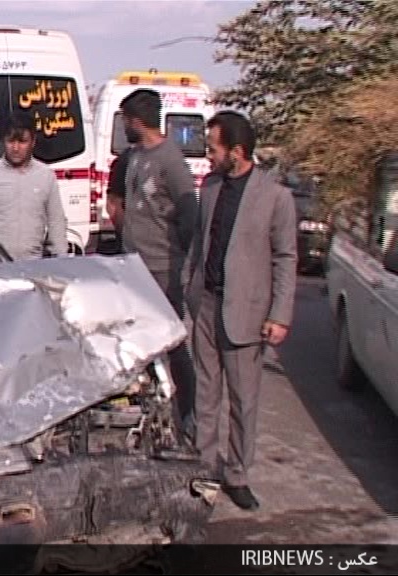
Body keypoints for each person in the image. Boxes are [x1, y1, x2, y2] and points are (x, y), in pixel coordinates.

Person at [183, 111, 297, 510]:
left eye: (213, 149)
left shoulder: (275, 197)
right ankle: (203, 467)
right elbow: (200, 241)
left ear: (237, 151)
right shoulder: (211, 187)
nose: (207, 156)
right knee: (205, 394)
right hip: (207, 306)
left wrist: (279, 315)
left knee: (244, 400)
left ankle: (237, 475)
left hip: (247, 313)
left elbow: (285, 258)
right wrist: (189, 287)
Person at [118, 89, 199, 436]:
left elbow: (189, 214)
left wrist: (177, 257)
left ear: (136, 121)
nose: (124, 127)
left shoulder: (170, 160)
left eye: (125, 121)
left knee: (173, 344)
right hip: (134, 267)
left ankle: (189, 415)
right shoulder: (136, 155)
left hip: (162, 269)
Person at [0, 114, 67, 260]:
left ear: (33, 142)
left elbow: (56, 220)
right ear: (3, 142)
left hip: (33, 264)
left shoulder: (46, 175)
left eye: (22, 141)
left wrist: (61, 258)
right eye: (10, 141)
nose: (16, 148)